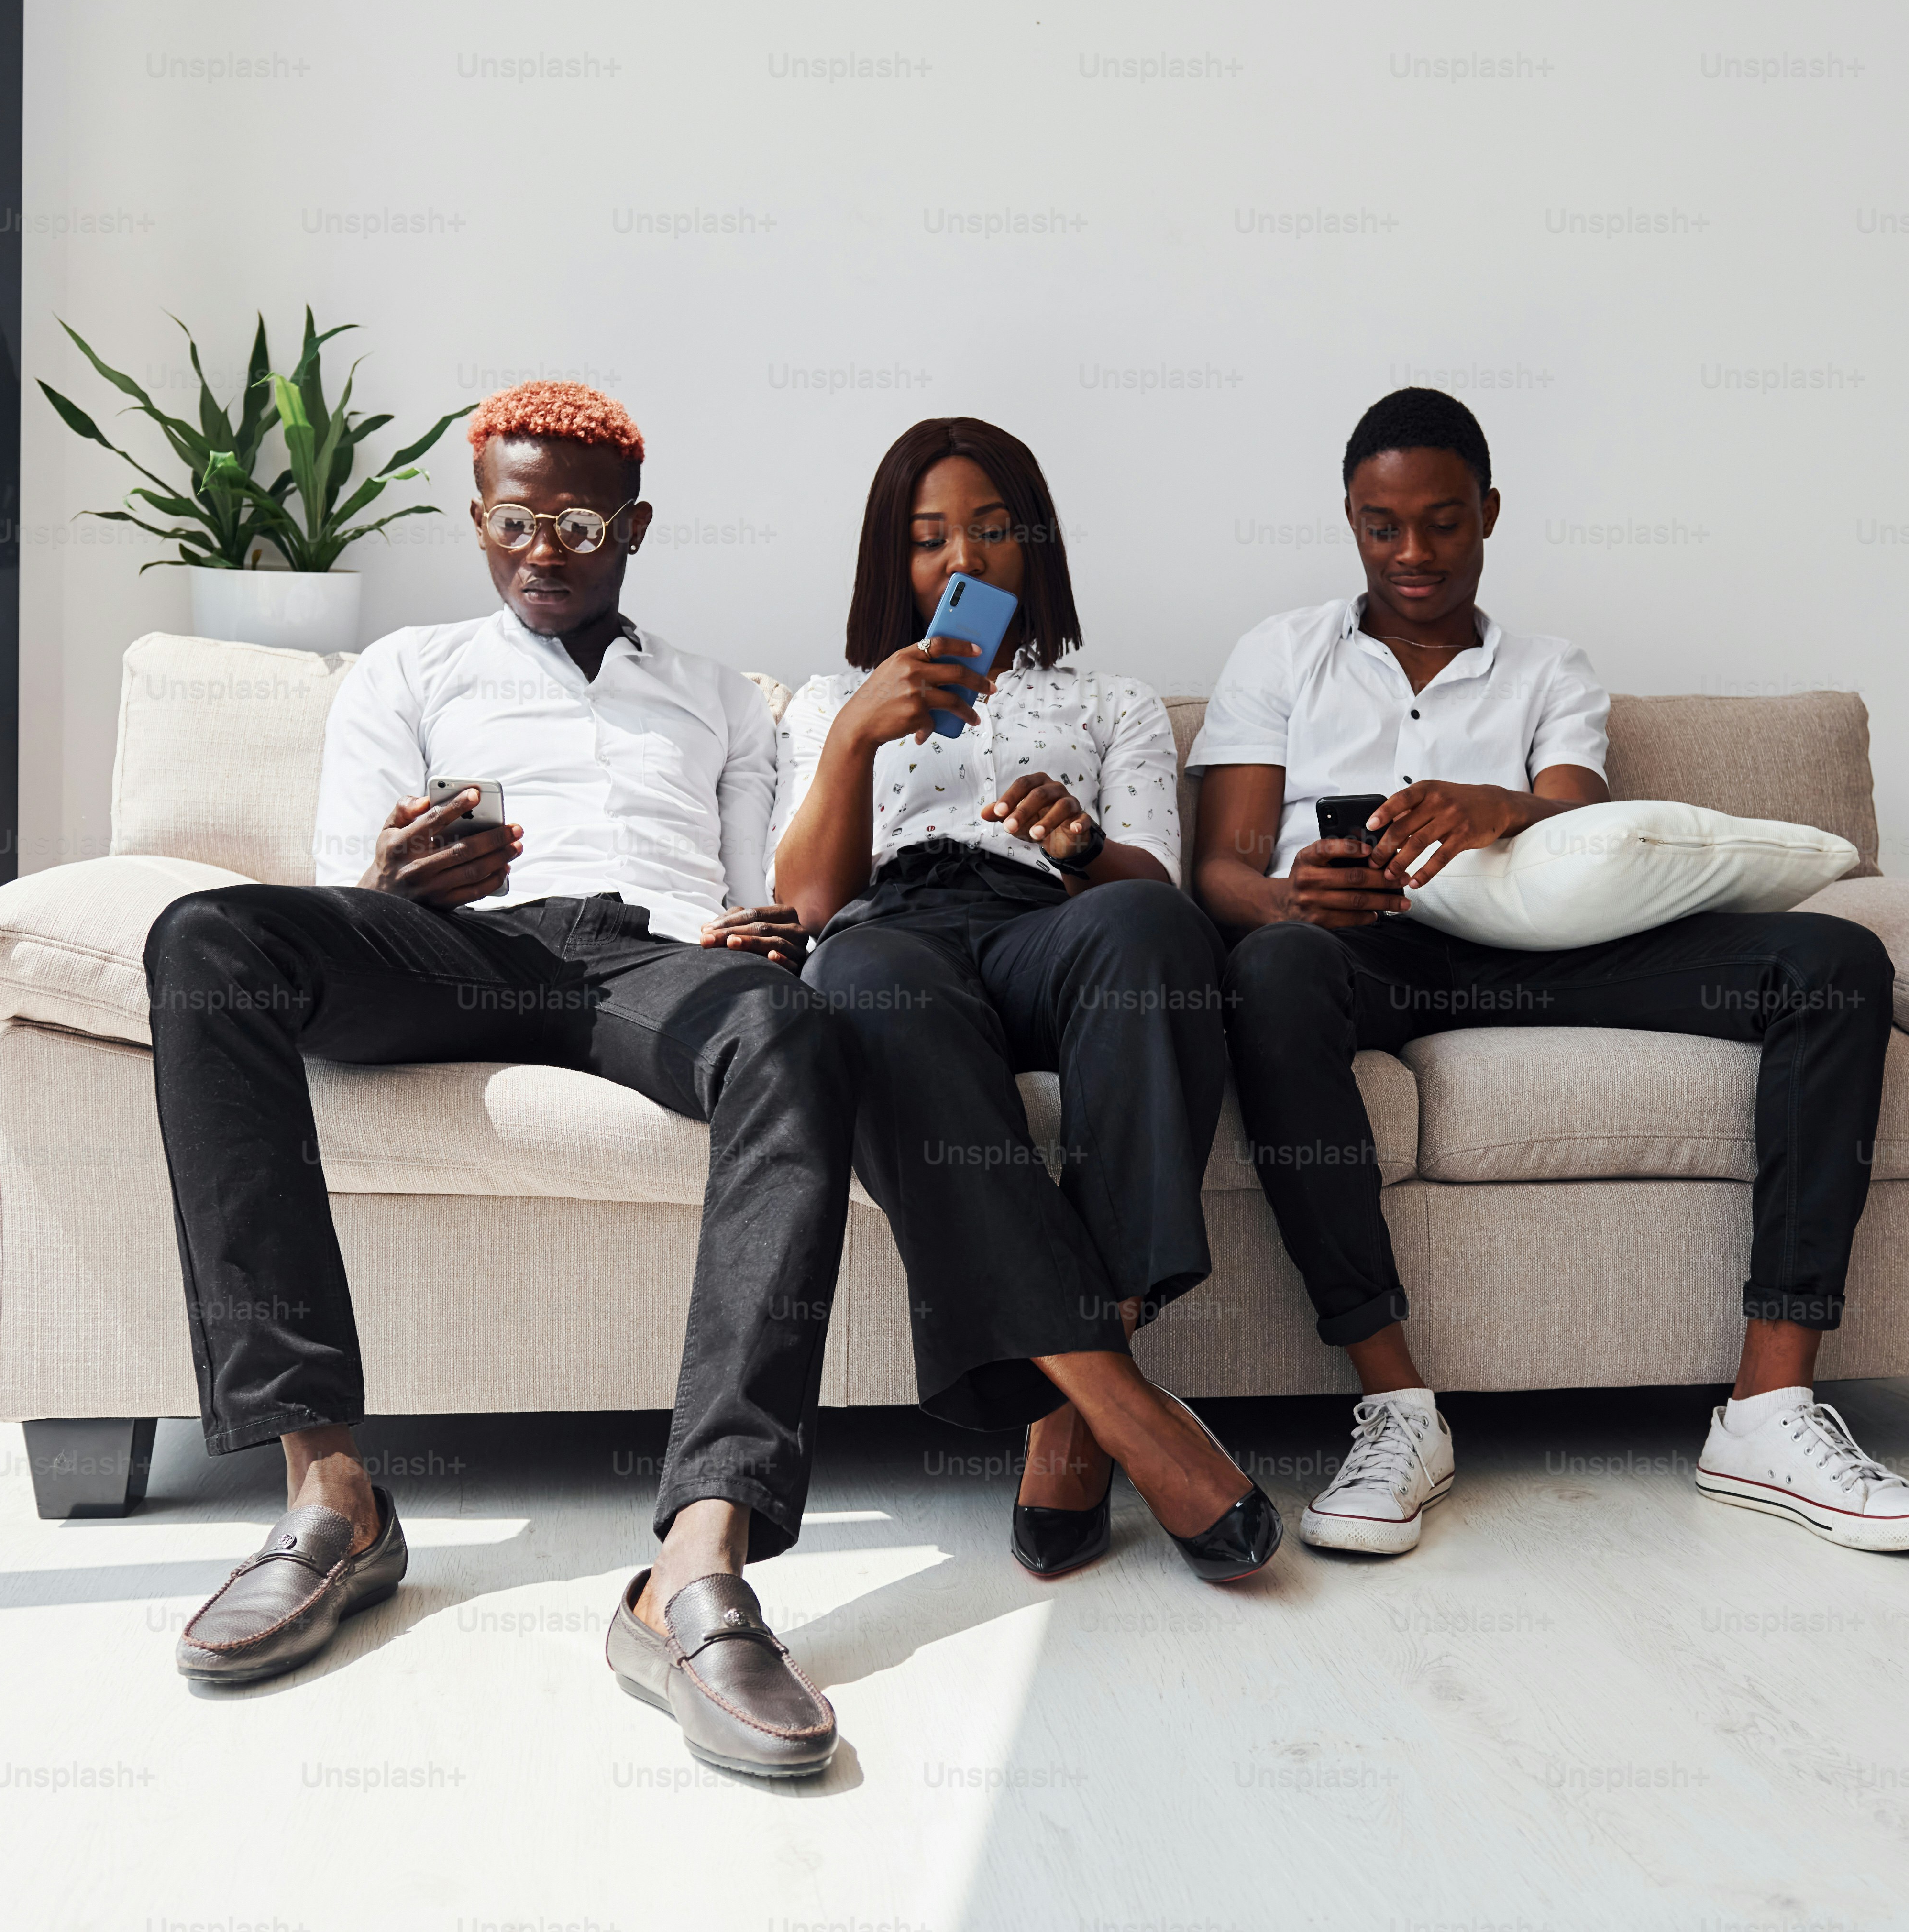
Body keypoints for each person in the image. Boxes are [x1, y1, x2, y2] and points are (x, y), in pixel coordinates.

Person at [143, 380, 850, 1778]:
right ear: (479, 522)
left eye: (580, 520)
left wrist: (769, 933)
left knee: (788, 1027)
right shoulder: (405, 670)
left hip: (645, 953)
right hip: (447, 946)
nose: (546, 547)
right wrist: (394, 881)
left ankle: (697, 1563)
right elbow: (348, 875)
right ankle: (327, 1490)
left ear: (633, 525)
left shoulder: (720, 697)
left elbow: (759, 885)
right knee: (206, 935)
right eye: (515, 520)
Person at [1188, 386, 1909, 1559]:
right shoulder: (1278, 652)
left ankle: (1765, 1409)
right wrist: (1293, 898)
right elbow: (1220, 865)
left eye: (1442, 522)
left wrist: (1493, 808)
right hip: (1360, 949)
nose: (1411, 553)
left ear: (1489, 513)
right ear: (1347, 518)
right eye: (1380, 524)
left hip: (1549, 949)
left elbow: (1576, 815)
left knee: (1832, 957)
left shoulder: (1549, 668)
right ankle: (1398, 1410)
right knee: (1271, 968)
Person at [771, 416, 1279, 1584]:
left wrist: (1080, 843)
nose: (963, 560)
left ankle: (1069, 1410)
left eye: (992, 530)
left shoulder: (1112, 701)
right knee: (853, 982)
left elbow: (1150, 887)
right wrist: (855, 737)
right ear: (888, 561)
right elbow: (806, 906)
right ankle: (1111, 1407)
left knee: (1153, 926)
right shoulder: (824, 699)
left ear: (1033, 547)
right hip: (894, 927)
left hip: (1052, 921)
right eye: (929, 537)